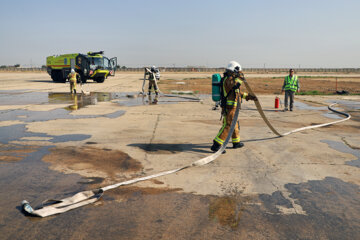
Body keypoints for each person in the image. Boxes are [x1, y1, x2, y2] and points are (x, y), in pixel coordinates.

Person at [210, 61, 257, 152]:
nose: (239, 74)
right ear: (234, 70)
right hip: (229, 107)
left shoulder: (231, 79)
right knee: (228, 125)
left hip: (233, 107)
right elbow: (235, 87)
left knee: (234, 125)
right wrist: (240, 78)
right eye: (238, 72)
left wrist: (249, 96)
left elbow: (237, 93)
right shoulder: (228, 79)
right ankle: (216, 144)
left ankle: (236, 142)